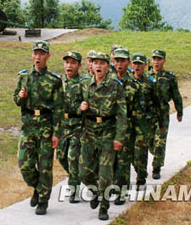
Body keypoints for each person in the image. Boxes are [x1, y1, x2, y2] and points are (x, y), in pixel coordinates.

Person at [13, 40, 62, 215]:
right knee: (24, 164)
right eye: (36, 53)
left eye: (42, 53)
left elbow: (58, 108)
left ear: (48, 56)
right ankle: (37, 186)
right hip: (28, 126)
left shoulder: (54, 80)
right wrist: (20, 96)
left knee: (45, 166)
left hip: (46, 126)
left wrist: (57, 133)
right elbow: (16, 100)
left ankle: (43, 200)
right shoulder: (24, 77)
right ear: (32, 55)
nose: (38, 57)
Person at [79, 51, 126, 221]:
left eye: (102, 63)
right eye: (95, 62)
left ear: (108, 66)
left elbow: (122, 114)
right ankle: (94, 191)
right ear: (91, 65)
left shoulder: (115, 86)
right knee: (83, 173)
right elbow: (71, 107)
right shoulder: (84, 85)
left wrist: (119, 137)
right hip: (89, 133)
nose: (98, 66)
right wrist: (80, 107)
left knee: (105, 174)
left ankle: (104, 206)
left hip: (107, 133)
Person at [147, 49, 183, 179]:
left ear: (164, 61)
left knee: (160, 141)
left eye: (159, 59)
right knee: (150, 141)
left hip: (162, 113)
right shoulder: (146, 76)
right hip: (148, 114)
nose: (156, 62)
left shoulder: (169, 77)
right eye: (154, 59)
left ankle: (156, 167)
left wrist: (179, 111)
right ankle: (155, 154)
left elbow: (176, 95)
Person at [56, 51, 87, 203]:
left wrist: (82, 106)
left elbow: (88, 102)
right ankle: (75, 176)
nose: (69, 65)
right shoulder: (59, 82)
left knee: (72, 157)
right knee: (61, 156)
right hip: (62, 126)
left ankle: (73, 189)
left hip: (77, 126)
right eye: (67, 62)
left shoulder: (83, 83)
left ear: (79, 65)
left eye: (73, 63)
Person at [111, 48, 141, 205]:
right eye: (117, 61)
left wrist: (141, 134)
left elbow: (140, 112)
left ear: (128, 62)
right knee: (111, 160)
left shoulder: (134, 85)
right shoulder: (108, 81)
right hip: (110, 127)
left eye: (123, 61)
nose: (119, 64)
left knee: (123, 161)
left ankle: (121, 192)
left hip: (128, 128)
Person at [130, 53, 160, 187]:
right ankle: (138, 169)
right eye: (135, 63)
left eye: (140, 64)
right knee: (130, 153)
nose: (137, 66)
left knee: (141, 152)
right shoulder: (126, 82)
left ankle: (141, 178)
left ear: (145, 65)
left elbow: (157, 103)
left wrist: (155, 121)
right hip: (129, 122)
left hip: (144, 123)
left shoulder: (150, 83)